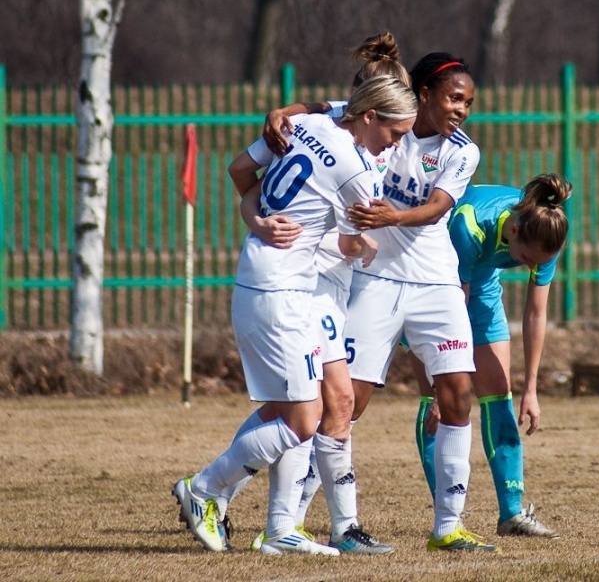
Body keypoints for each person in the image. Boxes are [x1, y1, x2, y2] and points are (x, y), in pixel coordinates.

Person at [172, 74, 418, 555]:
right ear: (369, 116)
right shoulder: (355, 168)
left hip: (281, 284)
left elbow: (240, 170)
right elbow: (351, 240)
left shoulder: (307, 120)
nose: (398, 142)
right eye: (395, 133)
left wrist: (255, 218)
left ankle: (282, 529)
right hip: (280, 291)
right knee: (303, 421)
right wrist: (364, 247)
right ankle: (202, 488)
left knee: (302, 407)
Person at [340, 52, 497, 553]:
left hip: (436, 285)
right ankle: (319, 525)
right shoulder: (386, 123)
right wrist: (286, 110)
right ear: (425, 93)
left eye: (468, 102)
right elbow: (335, 109)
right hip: (376, 282)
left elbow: (436, 209)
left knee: (457, 395)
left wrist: (392, 217)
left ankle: (448, 526)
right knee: (346, 404)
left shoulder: (461, 151)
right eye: (454, 98)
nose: (462, 110)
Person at [413, 174, 571, 540]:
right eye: (527, 259)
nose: (532, 266)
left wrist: (531, 388)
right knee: (444, 402)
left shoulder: (548, 231)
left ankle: (512, 515)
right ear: (514, 230)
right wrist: (440, 384)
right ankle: (449, 520)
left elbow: (535, 313)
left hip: (479, 287)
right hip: (430, 286)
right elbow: (453, 305)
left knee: (500, 394)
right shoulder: (470, 224)